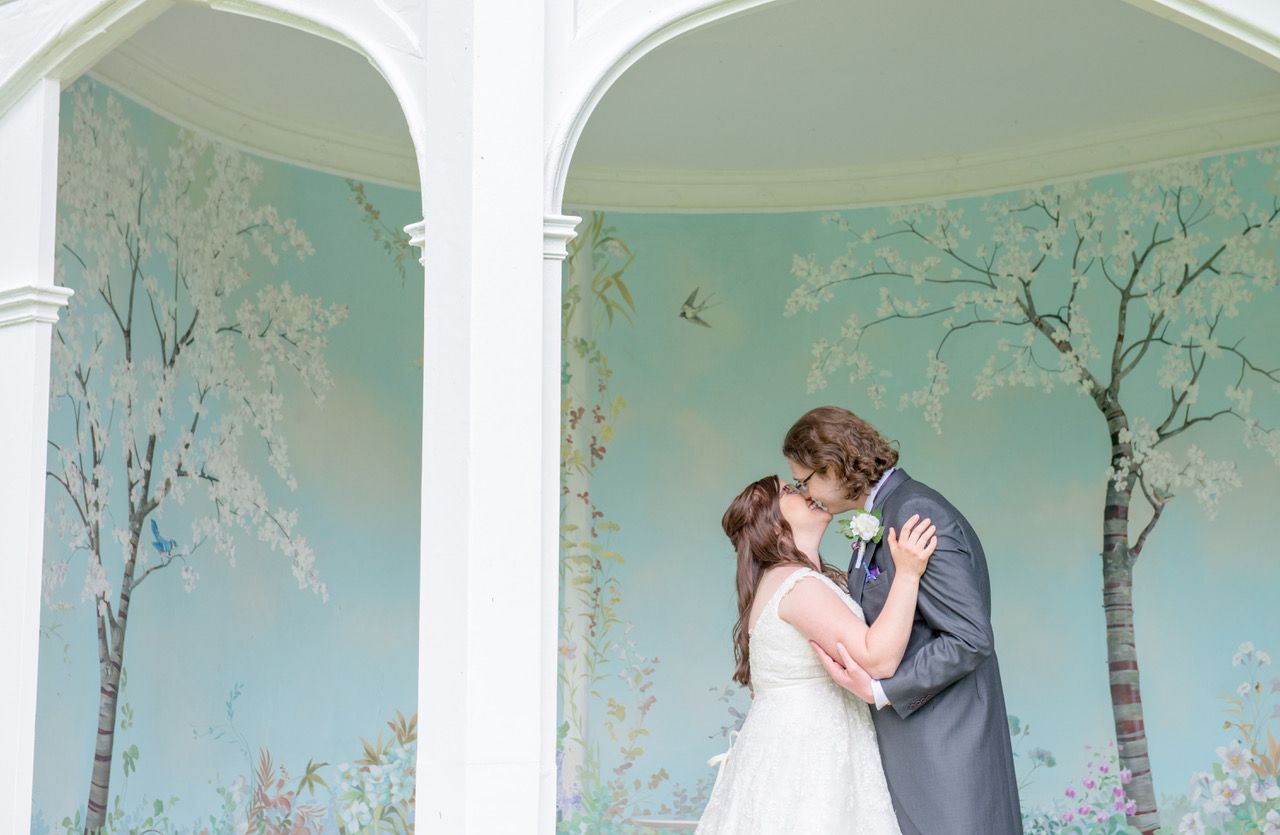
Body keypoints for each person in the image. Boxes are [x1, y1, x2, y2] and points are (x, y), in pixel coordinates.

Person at [784, 405, 1023, 835]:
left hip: (946, 747)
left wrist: (882, 689)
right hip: (913, 746)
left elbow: (969, 639)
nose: (807, 492)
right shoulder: (883, 513)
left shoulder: (915, 513)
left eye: (808, 479)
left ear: (836, 464)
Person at [696, 474, 936, 834]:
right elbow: (879, 659)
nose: (807, 490)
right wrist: (908, 574)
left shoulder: (793, 581)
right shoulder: (798, 585)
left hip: (805, 746)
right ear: (772, 523)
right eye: (790, 490)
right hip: (808, 758)